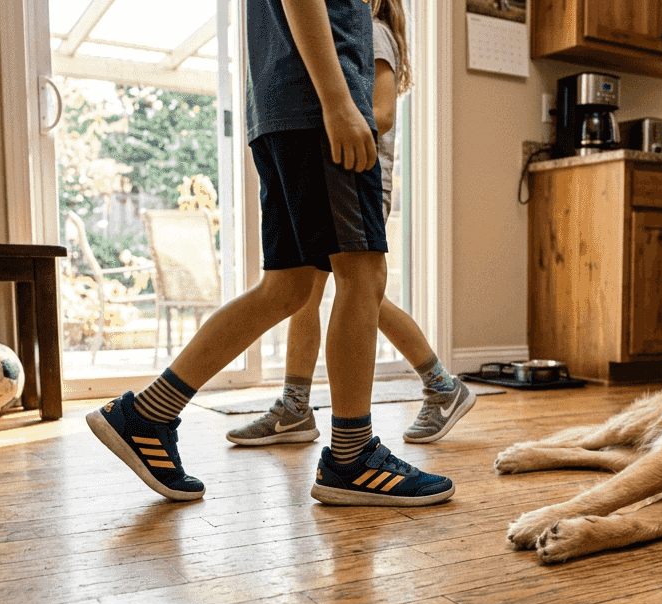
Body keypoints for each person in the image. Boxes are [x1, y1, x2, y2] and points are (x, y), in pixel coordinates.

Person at [86, 0, 454, 508]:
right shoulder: (336, 91)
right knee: (362, 278)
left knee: (289, 287)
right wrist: (338, 100)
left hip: (282, 109)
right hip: (317, 108)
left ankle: (148, 413)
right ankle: (351, 458)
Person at [226, 0, 475, 449]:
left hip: (356, 166)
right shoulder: (357, 31)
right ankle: (295, 405)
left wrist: (337, 110)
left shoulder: (373, 32)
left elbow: (381, 114)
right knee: (312, 292)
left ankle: (440, 384)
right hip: (341, 160)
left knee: (362, 293)